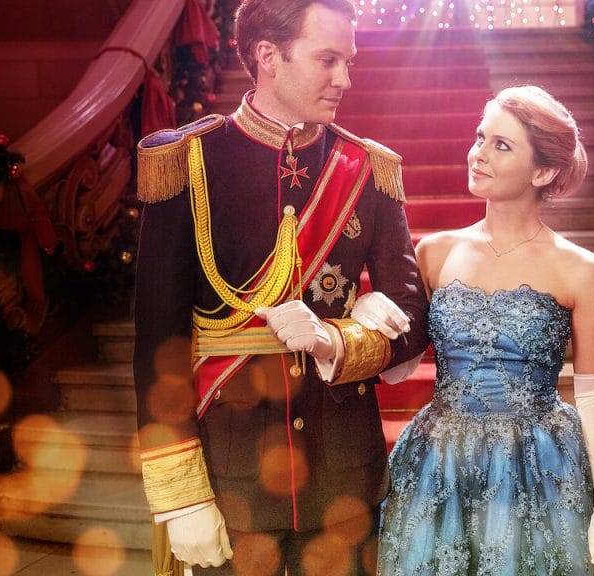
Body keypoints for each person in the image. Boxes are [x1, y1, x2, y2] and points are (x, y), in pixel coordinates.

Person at [132, 1, 430, 574]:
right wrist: (181, 494)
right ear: (268, 55)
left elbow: (413, 320)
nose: (344, 78)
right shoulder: (188, 161)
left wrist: (345, 338)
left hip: (343, 471)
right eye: (327, 60)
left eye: (348, 61)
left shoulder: (368, 167)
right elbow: (158, 342)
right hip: (231, 472)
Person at [375, 85, 594, 576]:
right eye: (481, 137)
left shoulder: (581, 270)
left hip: (541, 464)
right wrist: (371, 314)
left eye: (501, 145)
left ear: (543, 171)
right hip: (441, 463)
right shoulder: (434, 253)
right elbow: (400, 369)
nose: (478, 154)